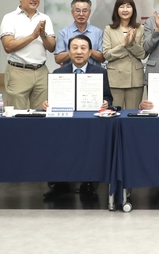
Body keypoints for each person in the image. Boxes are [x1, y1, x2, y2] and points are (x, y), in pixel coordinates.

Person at [43, 34, 112, 199]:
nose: (79, 52)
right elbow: (53, 99)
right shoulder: (59, 72)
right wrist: (47, 104)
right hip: (65, 124)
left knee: (92, 146)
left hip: (91, 123)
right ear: (69, 52)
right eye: (75, 48)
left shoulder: (100, 72)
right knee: (56, 143)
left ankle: (88, 184)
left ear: (90, 52)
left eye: (83, 48)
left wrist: (106, 103)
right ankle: (59, 184)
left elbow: (109, 97)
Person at [0, 0, 56, 110]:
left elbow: (52, 47)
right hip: (18, 71)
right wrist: (33, 36)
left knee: (42, 112)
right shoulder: (9, 18)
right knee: (16, 113)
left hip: (41, 71)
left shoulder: (45, 18)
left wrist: (43, 35)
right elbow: (8, 46)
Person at [102, 0, 146, 109]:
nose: (125, 10)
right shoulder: (109, 29)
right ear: (116, 10)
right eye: (121, 6)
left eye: (128, 6)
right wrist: (123, 45)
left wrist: (133, 44)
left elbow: (143, 54)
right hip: (115, 78)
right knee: (114, 113)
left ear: (133, 10)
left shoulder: (140, 28)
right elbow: (106, 55)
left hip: (135, 78)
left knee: (133, 114)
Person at [54, 0, 104, 67]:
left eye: (84, 11)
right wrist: (74, 50)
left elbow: (103, 58)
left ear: (89, 12)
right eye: (77, 11)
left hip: (93, 72)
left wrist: (87, 49)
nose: (81, 14)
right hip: (70, 72)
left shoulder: (98, 32)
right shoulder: (63, 33)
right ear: (72, 13)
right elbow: (58, 59)